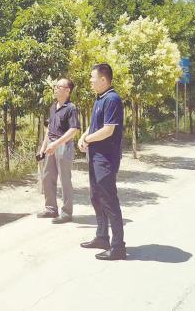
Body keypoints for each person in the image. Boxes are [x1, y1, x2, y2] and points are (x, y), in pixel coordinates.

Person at [78, 63, 126, 260]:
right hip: (95, 156)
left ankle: (118, 247)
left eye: (93, 77)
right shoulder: (100, 99)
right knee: (95, 197)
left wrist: (88, 139)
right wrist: (84, 136)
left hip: (106, 158)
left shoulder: (113, 99)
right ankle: (102, 237)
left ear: (104, 79)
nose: (90, 81)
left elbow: (108, 130)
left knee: (108, 200)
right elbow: (94, 126)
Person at [37, 78, 80, 224]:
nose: (55, 89)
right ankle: (51, 209)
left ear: (68, 90)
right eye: (55, 86)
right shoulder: (53, 107)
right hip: (51, 144)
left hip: (63, 145)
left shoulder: (71, 108)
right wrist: (43, 148)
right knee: (47, 177)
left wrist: (56, 144)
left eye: (59, 86)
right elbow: (49, 129)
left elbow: (73, 130)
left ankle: (67, 213)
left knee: (65, 180)